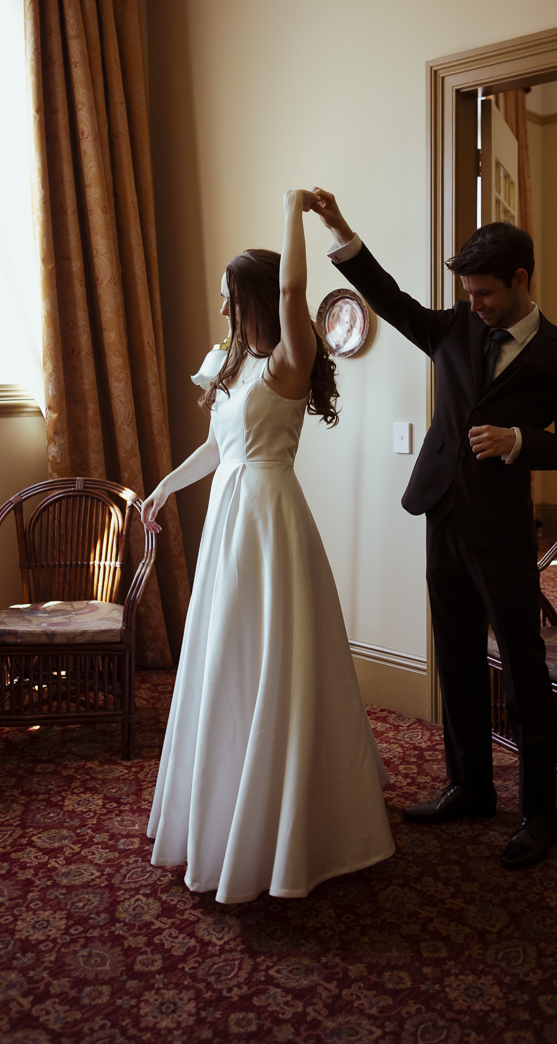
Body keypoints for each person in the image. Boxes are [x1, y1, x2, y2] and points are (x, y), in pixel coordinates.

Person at [309, 189, 557, 870]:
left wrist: (520, 440)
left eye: (485, 293)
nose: (475, 304)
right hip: (442, 513)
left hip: (501, 528)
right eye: (467, 293)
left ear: (521, 280)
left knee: (521, 668)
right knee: (458, 658)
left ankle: (539, 813)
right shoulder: (455, 327)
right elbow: (388, 297)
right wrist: (340, 230)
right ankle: (469, 787)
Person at [142, 189, 394, 903]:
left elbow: (292, 289)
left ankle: (289, 810)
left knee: (276, 648)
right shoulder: (230, 364)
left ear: (255, 297)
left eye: (230, 297)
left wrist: (293, 209)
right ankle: (224, 796)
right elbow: (218, 448)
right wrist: (163, 488)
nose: (223, 309)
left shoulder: (290, 356)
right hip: (229, 514)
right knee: (226, 649)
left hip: (270, 516)